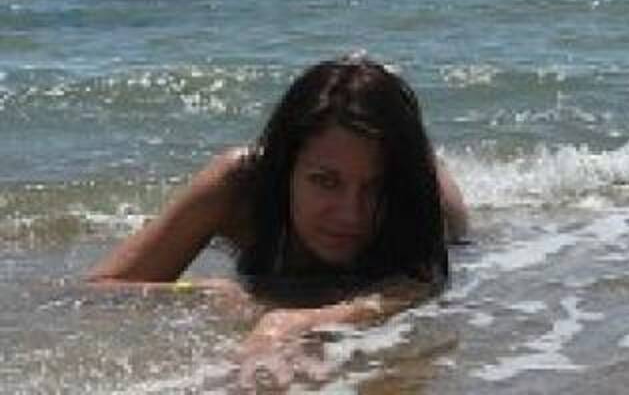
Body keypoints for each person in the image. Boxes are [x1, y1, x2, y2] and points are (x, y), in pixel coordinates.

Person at [87, 55, 468, 389]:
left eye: (374, 187)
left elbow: (421, 284)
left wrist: (295, 321)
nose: (350, 213)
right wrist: (201, 293)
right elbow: (99, 291)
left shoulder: (414, 197)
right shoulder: (238, 185)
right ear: (284, 168)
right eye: (325, 182)